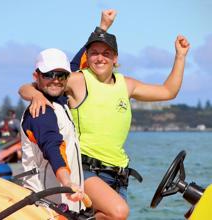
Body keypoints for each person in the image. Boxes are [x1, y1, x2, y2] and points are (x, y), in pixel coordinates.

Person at [19, 9, 190, 220]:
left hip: (119, 175)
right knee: (119, 212)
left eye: (106, 53)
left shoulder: (127, 85)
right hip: (86, 171)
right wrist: (35, 95)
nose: (100, 58)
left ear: (115, 58)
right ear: (87, 56)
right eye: (94, 53)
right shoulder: (77, 80)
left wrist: (180, 57)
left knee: (115, 215)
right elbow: (35, 84)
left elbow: (168, 91)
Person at [20, 48, 85, 212]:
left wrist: (102, 28)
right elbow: (52, 148)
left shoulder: (60, 100)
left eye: (61, 75)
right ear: (37, 76)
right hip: (46, 205)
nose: (55, 80)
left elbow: (76, 63)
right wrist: (67, 182)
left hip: (66, 201)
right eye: (48, 74)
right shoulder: (41, 111)